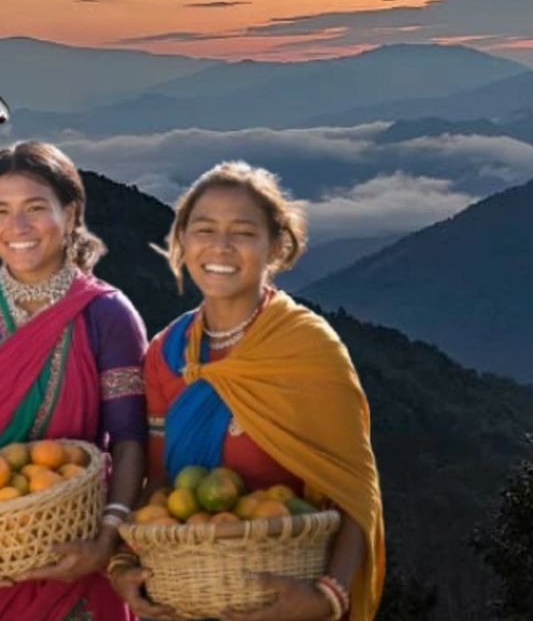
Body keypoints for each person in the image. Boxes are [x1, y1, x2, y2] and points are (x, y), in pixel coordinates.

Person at [111, 161, 384, 621]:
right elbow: (158, 481)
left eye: (243, 232)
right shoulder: (167, 353)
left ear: (276, 246)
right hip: (189, 593)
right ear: (182, 242)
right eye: (204, 230)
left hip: (285, 591)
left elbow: (353, 489)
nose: (221, 246)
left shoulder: (307, 347)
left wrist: (326, 599)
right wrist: (122, 563)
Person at [0, 140, 149, 620]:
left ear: (70, 215)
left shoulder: (106, 313)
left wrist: (105, 542)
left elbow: (131, 440)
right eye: (1, 211)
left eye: (35, 209)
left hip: (79, 553)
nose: (18, 228)